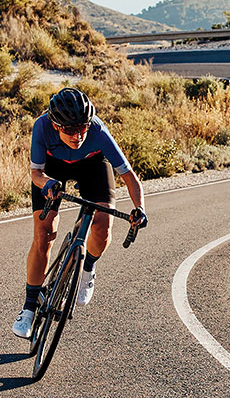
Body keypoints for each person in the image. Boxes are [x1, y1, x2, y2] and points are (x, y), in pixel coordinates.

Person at [13, 87, 150, 338]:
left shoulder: (97, 131)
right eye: (69, 130)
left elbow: (129, 177)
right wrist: (48, 184)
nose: (77, 136)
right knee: (44, 233)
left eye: (82, 128)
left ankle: (87, 268)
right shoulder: (41, 127)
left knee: (102, 225)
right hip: (52, 169)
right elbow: (35, 174)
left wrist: (139, 208)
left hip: (93, 165)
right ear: (56, 126)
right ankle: (29, 307)